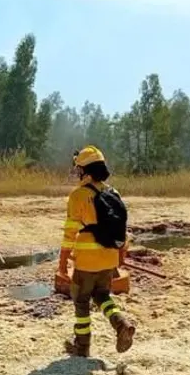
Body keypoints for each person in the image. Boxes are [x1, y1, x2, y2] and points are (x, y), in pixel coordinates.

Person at [58, 145, 136, 357]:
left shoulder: (78, 195)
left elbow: (69, 234)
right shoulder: (113, 193)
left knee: (81, 300)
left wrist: (62, 263)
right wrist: (119, 259)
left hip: (86, 261)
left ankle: (82, 347)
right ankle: (121, 323)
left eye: (79, 169)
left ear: (85, 171)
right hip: (109, 258)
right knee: (102, 295)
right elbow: (122, 231)